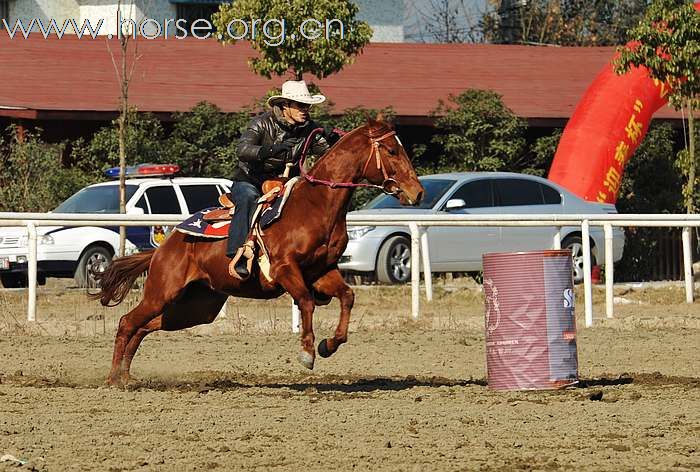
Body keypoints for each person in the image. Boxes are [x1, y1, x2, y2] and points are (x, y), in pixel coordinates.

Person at [227, 80, 340, 279]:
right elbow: (242, 150)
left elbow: (329, 156)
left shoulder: (310, 129)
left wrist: (334, 142)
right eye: (301, 105)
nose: (305, 110)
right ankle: (238, 254)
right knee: (247, 198)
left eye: (308, 106)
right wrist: (271, 150)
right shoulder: (261, 123)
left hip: (287, 183)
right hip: (250, 179)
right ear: (285, 105)